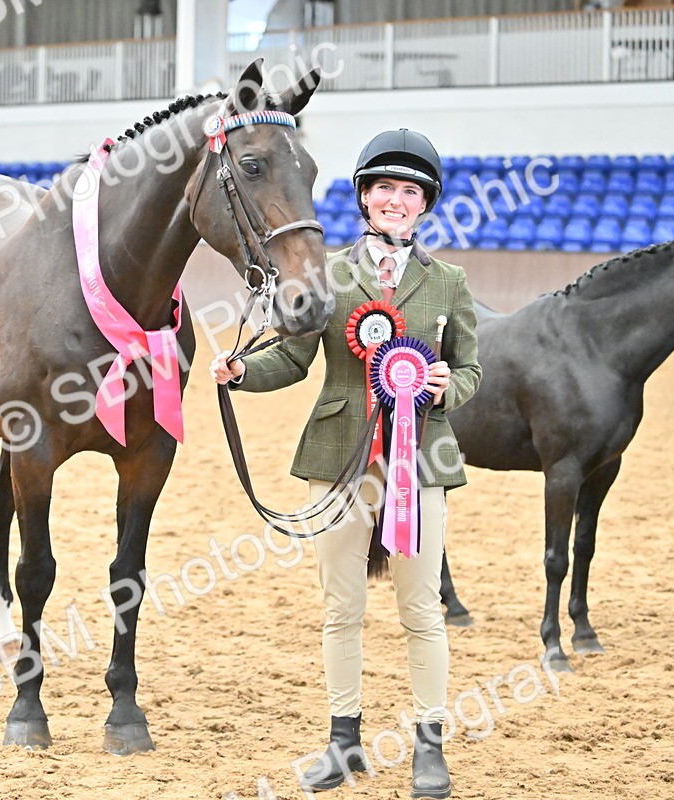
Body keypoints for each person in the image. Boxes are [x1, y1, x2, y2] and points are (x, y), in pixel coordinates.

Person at [210, 129, 481, 798]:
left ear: (425, 205)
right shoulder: (327, 274)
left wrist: (452, 383)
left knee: (421, 610)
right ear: (364, 197)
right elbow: (294, 359)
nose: (396, 200)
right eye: (384, 188)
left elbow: (472, 366)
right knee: (343, 609)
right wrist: (242, 369)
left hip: (420, 465)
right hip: (340, 461)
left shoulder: (448, 282)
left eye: (409, 191)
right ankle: (343, 741)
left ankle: (429, 745)